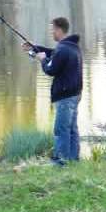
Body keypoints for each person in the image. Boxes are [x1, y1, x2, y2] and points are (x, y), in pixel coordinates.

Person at [23, 17, 83, 165]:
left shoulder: (63, 49)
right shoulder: (72, 47)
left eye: (52, 30)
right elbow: (54, 54)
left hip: (65, 97)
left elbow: (51, 69)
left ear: (58, 29)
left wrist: (41, 60)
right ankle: (73, 160)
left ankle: (60, 162)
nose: (51, 33)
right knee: (71, 129)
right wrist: (34, 48)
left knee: (61, 129)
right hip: (74, 95)